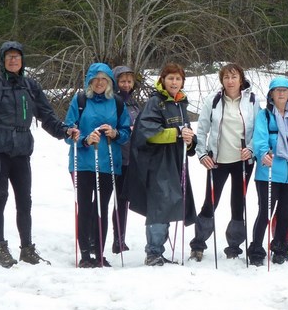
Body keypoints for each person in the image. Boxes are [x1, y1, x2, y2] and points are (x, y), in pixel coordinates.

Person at [0, 41, 79, 268]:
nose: (13, 60)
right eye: (9, 56)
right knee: (0, 197)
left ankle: (26, 249)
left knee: (24, 201)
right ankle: (0, 247)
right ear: (2, 60)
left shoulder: (31, 86)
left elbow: (47, 116)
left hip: (22, 150)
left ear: (22, 60)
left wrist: (64, 130)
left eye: (17, 56)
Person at [127, 63, 197, 266]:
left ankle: (158, 250)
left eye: (178, 79)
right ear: (162, 80)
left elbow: (186, 132)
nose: (174, 82)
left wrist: (190, 140)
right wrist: (176, 134)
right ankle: (153, 251)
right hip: (157, 161)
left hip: (175, 160)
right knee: (159, 205)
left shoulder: (181, 103)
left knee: (169, 203)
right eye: (170, 78)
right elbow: (149, 133)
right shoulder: (155, 102)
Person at [64, 63, 132, 267]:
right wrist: (85, 138)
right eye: (96, 79)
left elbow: (126, 131)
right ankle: (85, 254)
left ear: (110, 82)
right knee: (85, 207)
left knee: (102, 207)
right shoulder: (81, 100)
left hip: (108, 163)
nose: (100, 83)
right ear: (89, 81)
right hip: (83, 163)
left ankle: (99, 252)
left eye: (104, 79)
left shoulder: (118, 103)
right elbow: (68, 131)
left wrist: (115, 133)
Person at [190, 63, 259, 262]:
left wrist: (252, 148)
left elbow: (258, 129)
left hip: (242, 161)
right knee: (210, 203)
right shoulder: (213, 100)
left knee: (238, 204)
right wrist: (202, 153)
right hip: (217, 160)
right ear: (222, 80)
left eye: (234, 77)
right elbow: (201, 128)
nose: (230, 81)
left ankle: (234, 247)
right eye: (226, 77)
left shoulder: (252, 100)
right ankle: (198, 244)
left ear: (241, 79)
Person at [247, 77, 288, 266]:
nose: (281, 93)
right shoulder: (265, 116)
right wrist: (263, 153)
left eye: (284, 90)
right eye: (277, 91)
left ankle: (279, 248)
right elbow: (259, 139)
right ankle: (256, 249)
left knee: (284, 214)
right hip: (269, 172)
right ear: (271, 95)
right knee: (265, 212)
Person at [111, 65, 141, 254]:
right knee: (113, 200)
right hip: (115, 158)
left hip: (131, 158)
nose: (126, 85)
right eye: (122, 81)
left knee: (123, 201)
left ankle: (119, 238)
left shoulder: (135, 104)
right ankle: (109, 238)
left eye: (129, 81)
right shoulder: (112, 102)